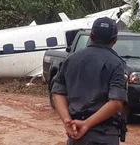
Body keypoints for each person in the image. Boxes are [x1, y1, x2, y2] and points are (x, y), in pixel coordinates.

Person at [51, 17, 129, 145]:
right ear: (115, 40)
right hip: (104, 135)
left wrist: (67, 121)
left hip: (76, 134)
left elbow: (58, 92)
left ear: (91, 35)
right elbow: (116, 102)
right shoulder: (117, 64)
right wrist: (86, 124)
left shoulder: (71, 60)